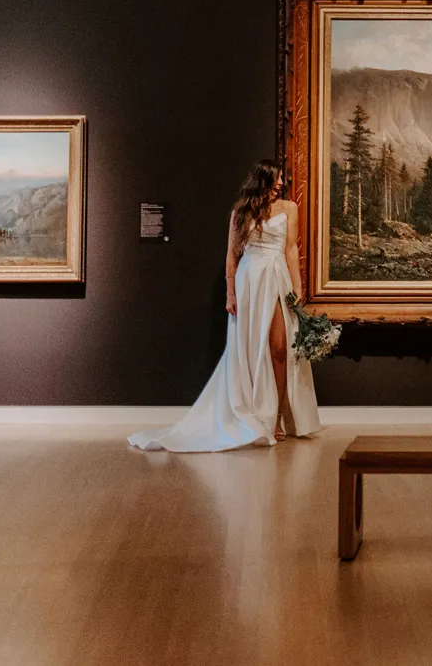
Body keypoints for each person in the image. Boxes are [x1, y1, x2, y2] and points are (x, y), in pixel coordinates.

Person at [129, 160, 321, 451]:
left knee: (280, 348)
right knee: (249, 346)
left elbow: (292, 249)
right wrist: (230, 293)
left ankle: (278, 415)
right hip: (250, 279)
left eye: (282, 179)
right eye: (277, 179)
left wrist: (298, 288)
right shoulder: (240, 211)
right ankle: (253, 411)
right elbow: (231, 256)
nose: (282, 183)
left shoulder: (289, 208)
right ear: (263, 180)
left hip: (277, 276)